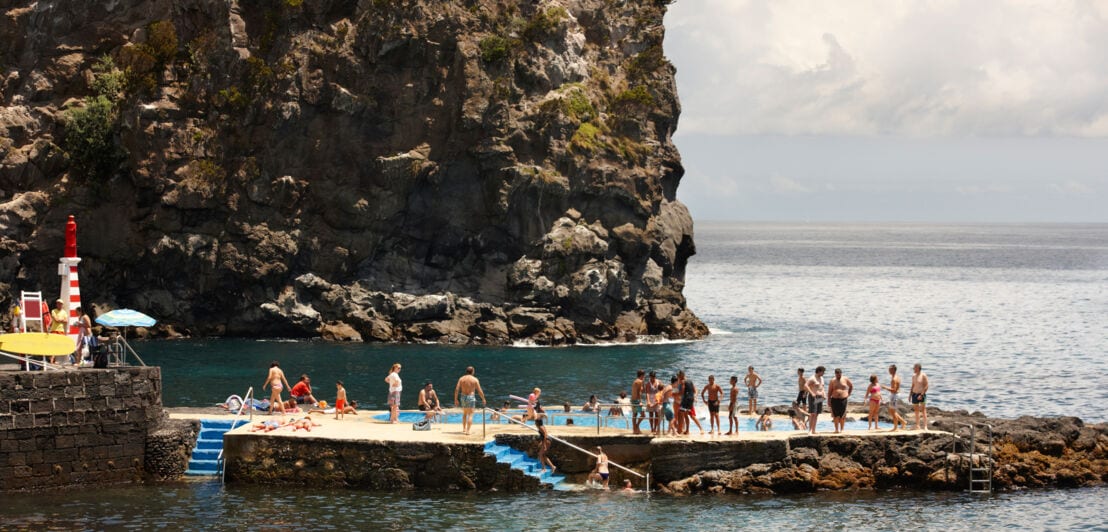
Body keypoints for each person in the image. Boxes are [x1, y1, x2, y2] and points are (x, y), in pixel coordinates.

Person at [453, 366, 486, 435]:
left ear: (466, 371)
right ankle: (468, 431)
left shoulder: (461, 379)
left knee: (465, 413)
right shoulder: (475, 379)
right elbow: (479, 391)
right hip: (470, 397)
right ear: (472, 371)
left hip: (463, 396)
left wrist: (455, 399)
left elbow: (456, 389)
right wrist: (483, 399)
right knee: (470, 414)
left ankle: (464, 429)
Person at [882, 364, 909, 431]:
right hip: (894, 395)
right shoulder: (897, 377)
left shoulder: (894, 379)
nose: (889, 370)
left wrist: (885, 387)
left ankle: (895, 427)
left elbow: (894, 390)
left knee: (893, 412)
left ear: (894, 370)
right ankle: (903, 422)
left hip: (894, 395)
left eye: (890, 369)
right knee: (891, 411)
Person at [828, 368, 853, 433]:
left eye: (839, 374)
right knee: (835, 415)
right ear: (835, 374)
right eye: (837, 374)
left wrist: (848, 394)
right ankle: (836, 429)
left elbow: (851, 386)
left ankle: (842, 429)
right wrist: (828, 400)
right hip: (834, 399)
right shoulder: (832, 380)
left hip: (843, 399)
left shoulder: (845, 379)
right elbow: (830, 391)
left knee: (843, 415)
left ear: (841, 373)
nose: (838, 375)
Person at [805, 366, 826, 434]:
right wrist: (811, 393)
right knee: (812, 413)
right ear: (819, 371)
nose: (823, 373)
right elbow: (806, 385)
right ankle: (810, 430)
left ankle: (814, 430)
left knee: (817, 414)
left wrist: (824, 394)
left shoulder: (822, 378)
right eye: (823, 372)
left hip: (820, 397)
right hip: (813, 397)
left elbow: (822, 387)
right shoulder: (812, 378)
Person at [911, 363, 929, 430]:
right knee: (916, 410)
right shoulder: (913, 376)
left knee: (923, 410)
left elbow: (926, 385)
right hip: (914, 394)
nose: (913, 369)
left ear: (918, 368)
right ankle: (917, 425)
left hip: (921, 394)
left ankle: (925, 426)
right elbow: (912, 385)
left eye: (914, 368)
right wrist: (910, 395)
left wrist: (921, 394)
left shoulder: (923, 375)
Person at [631, 369, 645, 434]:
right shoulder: (640, 381)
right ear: (642, 375)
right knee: (643, 415)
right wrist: (640, 401)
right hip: (636, 400)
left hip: (632, 400)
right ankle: (637, 426)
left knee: (634, 415)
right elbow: (639, 392)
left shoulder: (635, 381)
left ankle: (635, 430)